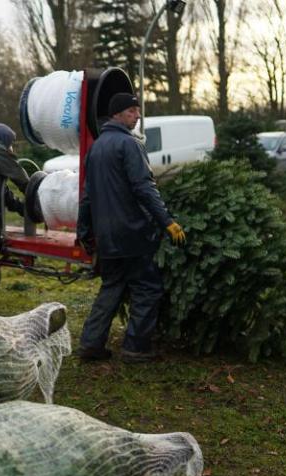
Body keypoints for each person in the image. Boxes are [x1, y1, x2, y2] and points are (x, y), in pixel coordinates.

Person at [75, 92, 186, 362]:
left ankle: (91, 344)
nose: (137, 116)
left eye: (137, 111)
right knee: (147, 287)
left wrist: (85, 231)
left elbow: (87, 196)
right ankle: (136, 347)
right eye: (131, 112)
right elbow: (144, 188)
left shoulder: (96, 148)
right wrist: (167, 222)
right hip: (133, 232)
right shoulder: (129, 144)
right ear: (117, 114)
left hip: (107, 236)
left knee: (112, 286)